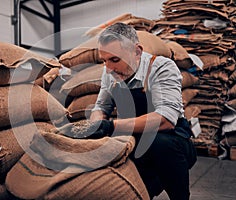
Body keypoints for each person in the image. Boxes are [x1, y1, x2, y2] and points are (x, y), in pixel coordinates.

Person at [57, 22, 197, 199]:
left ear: (137, 52)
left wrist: (111, 126)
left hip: (172, 141)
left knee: (160, 144)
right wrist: (96, 125)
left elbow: (166, 120)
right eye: (104, 61)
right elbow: (102, 106)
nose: (109, 68)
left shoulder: (161, 67)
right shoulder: (109, 72)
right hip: (133, 139)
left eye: (115, 60)